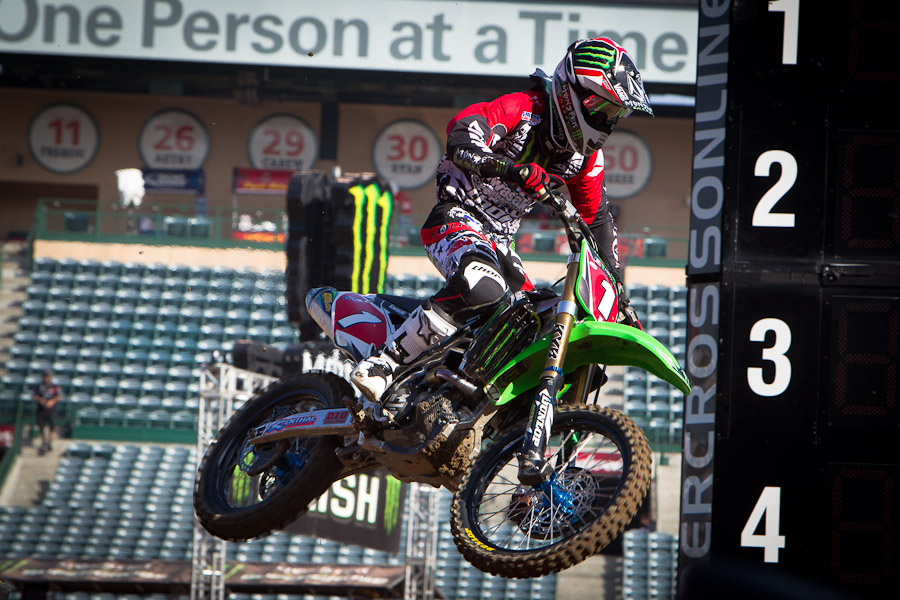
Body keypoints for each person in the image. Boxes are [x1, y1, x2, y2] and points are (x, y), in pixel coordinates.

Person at [351, 38, 650, 429]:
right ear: (575, 92)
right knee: (483, 288)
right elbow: (461, 138)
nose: (608, 122)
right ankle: (383, 365)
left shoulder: (585, 157)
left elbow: (598, 220)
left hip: (501, 241)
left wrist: (618, 295)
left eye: (616, 114)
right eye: (605, 108)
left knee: (536, 319)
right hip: (456, 217)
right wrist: (512, 170)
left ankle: (469, 405)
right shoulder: (523, 109)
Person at [33, 369, 62, 454]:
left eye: (48, 377)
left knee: (52, 426)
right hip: (41, 408)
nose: (47, 378)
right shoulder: (39, 386)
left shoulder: (54, 386)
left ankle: (49, 442)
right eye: (46, 376)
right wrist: (40, 400)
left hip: (51, 409)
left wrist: (52, 401)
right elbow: (35, 395)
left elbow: (59, 396)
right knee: (41, 427)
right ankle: (43, 442)